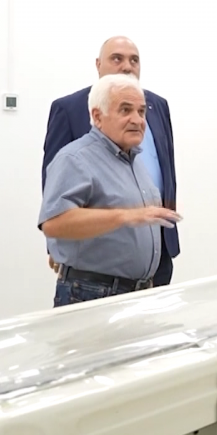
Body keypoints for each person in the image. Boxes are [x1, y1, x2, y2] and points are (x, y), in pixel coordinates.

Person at [39, 72, 181, 435]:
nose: (137, 119)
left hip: (135, 298)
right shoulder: (76, 158)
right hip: (92, 297)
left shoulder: (132, 160)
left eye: (141, 111)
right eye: (125, 110)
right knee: (95, 411)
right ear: (97, 116)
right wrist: (125, 217)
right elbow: (54, 221)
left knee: (129, 407)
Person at [43, 35, 178, 287]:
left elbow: (165, 169)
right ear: (98, 64)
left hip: (155, 254)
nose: (127, 66)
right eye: (117, 58)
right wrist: (56, 244)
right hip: (99, 273)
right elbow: (55, 188)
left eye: (134, 60)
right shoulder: (70, 110)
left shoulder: (157, 106)